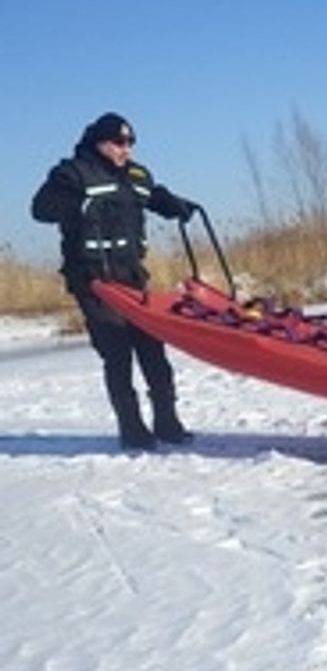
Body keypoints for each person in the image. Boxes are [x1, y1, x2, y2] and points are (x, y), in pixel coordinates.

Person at [32, 112, 198, 450]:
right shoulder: (73, 173)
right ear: (101, 143)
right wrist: (77, 206)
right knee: (118, 355)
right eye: (120, 143)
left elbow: (153, 196)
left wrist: (177, 205)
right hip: (94, 282)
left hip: (133, 279)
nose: (127, 150)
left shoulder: (135, 175)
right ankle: (132, 430)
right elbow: (40, 208)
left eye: (131, 143)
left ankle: (168, 422)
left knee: (153, 351)